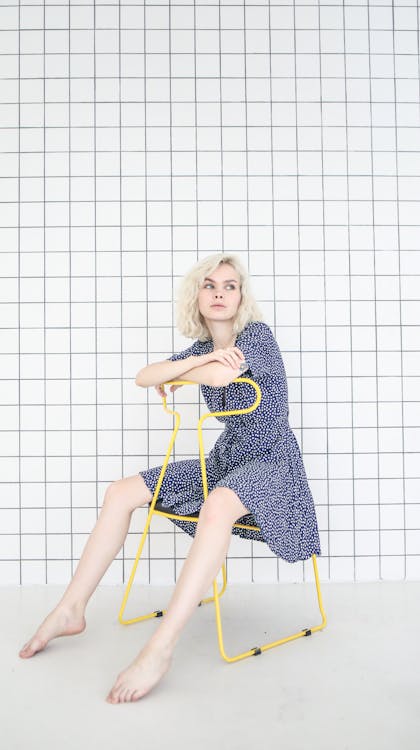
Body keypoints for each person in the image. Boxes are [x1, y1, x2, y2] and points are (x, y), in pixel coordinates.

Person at [19, 252, 321, 704]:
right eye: (209, 285)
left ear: (241, 298)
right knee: (120, 491)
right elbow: (145, 377)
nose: (219, 293)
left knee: (218, 503)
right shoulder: (202, 347)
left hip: (272, 462)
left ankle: (160, 649)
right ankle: (70, 609)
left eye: (230, 286)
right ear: (196, 296)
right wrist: (186, 368)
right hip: (227, 459)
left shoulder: (256, 335)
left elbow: (221, 378)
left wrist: (183, 375)